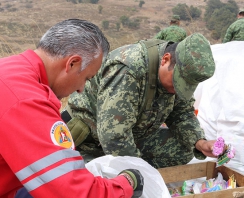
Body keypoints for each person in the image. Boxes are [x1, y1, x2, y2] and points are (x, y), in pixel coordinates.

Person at [0, 19, 143, 198]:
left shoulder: (11, 69)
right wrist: (126, 183)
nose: (81, 89)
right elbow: (75, 193)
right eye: (86, 78)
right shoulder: (26, 101)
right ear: (73, 63)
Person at [65, 33, 218, 169]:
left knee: (184, 149)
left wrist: (200, 142)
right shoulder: (129, 68)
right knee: (93, 183)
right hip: (89, 142)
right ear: (165, 59)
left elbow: (181, 113)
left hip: (132, 136)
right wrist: (139, 175)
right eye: (177, 82)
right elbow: (114, 137)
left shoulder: (176, 73)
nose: (177, 90)